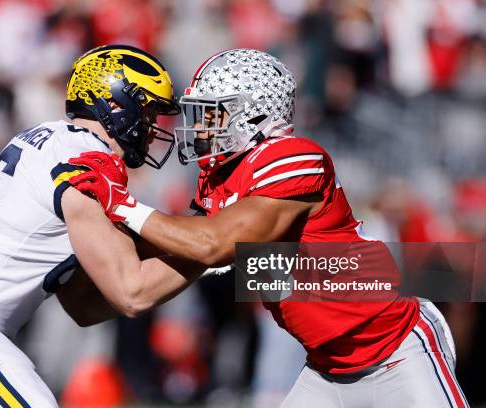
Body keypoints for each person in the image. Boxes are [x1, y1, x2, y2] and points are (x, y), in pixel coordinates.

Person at [70, 49, 469, 407]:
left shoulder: (295, 158)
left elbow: (214, 245)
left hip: (396, 351)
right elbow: (183, 251)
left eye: (212, 115)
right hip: (326, 367)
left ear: (254, 115)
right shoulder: (219, 178)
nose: (199, 129)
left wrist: (121, 204)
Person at [0, 44, 210, 408]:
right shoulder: (88, 159)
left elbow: (84, 307)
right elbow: (133, 292)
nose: (151, 125)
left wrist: (192, 259)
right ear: (114, 103)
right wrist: (211, 251)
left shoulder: (51, 139)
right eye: (146, 110)